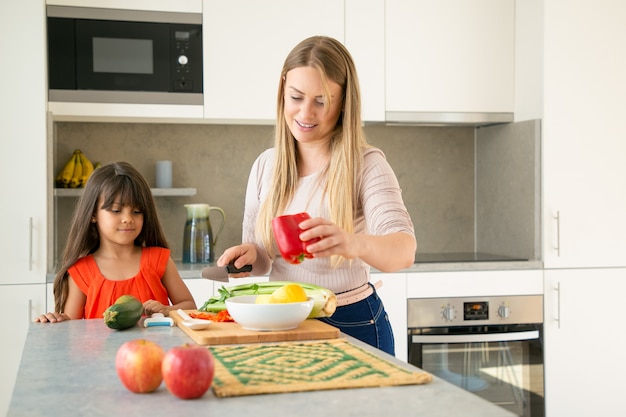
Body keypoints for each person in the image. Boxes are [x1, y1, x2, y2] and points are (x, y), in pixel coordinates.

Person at [216, 36, 416, 355]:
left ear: (343, 103)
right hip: (283, 320)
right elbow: (265, 259)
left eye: (321, 101)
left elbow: (404, 250)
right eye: (296, 97)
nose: (305, 113)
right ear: (283, 89)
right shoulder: (266, 165)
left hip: (353, 323)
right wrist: (251, 256)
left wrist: (354, 243)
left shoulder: (367, 164)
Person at [35, 161, 196, 323]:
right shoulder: (81, 271)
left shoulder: (160, 260)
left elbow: (190, 306)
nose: (127, 219)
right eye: (116, 210)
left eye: (137, 211)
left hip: (156, 349)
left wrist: (167, 310)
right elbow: (70, 329)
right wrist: (54, 320)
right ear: (93, 214)